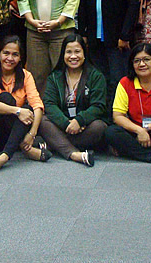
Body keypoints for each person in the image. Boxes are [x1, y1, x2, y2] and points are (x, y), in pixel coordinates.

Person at [77, 0, 139, 108]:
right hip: (94, 40)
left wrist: (125, 36)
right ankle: (100, 113)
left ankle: (117, 115)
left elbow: (132, 6)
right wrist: (84, 33)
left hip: (117, 40)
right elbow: (83, 6)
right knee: (98, 79)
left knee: (117, 80)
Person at [0, 35, 50, 174]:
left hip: (13, 132)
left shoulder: (26, 75)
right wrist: (17, 111)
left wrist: (32, 133)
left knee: (28, 109)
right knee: (6, 99)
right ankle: (26, 149)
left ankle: (4, 157)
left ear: (20, 58)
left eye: (15, 55)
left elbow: (37, 105)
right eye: (6, 53)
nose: (10, 58)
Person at [39, 34, 108, 166]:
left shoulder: (96, 76)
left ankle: (55, 144)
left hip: (86, 126)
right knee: (43, 121)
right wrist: (67, 124)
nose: (73, 56)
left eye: (77, 52)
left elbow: (98, 106)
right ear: (63, 54)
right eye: (69, 52)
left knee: (99, 127)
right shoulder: (55, 77)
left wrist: (79, 120)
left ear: (84, 54)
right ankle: (75, 154)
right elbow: (49, 104)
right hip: (63, 125)